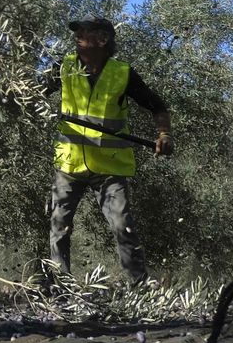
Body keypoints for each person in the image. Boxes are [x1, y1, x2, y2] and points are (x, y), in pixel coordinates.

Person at [45, 17, 174, 285]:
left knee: (123, 226)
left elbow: (158, 107)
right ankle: (61, 288)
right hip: (69, 165)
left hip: (109, 168)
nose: (77, 35)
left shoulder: (123, 74)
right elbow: (32, 92)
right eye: (77, 31)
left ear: (102, 40)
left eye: (84, 32)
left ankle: (139, 288)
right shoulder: (64, 67)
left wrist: (164, 134)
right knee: (59, 226)